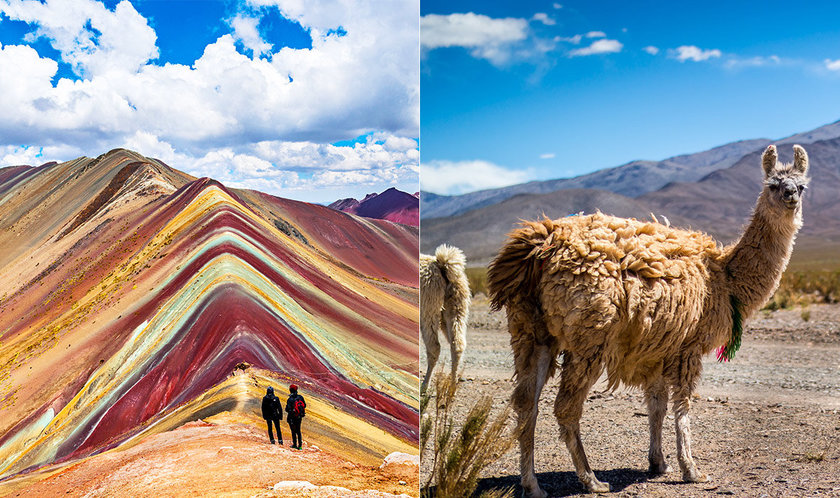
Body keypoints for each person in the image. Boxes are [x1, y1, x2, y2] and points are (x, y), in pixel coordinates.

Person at [285, 384, 306, 449]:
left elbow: (287, 409)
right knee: (298, 431)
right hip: (299, 417)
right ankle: (300, 446)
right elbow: (304, 405)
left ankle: (294, 444)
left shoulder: (290, 399)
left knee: (293, 431)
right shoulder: (300, 397)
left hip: (292, 417)